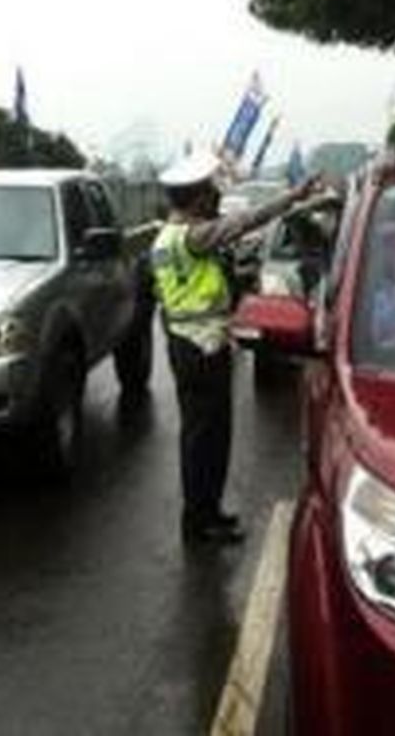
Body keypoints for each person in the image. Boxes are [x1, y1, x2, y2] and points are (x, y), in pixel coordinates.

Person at [152, 151, 318, 544]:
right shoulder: (194, 237)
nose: (215, 196)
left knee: (204, 436)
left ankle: (207, 512)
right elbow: (246, 222)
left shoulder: (165, 237)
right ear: (195, 198)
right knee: (205, 439)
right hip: (201, 348)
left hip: (187, 343)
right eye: (209, 191)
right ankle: (200, 521)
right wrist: (293, 196)